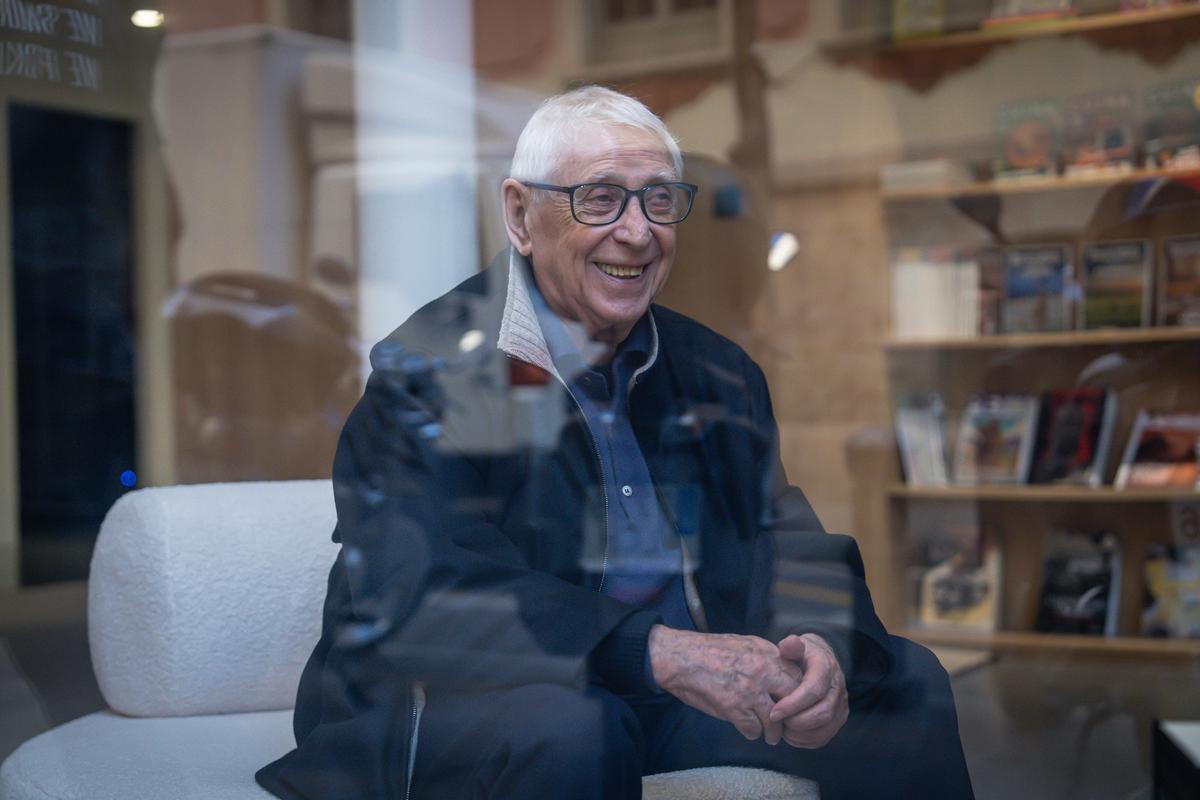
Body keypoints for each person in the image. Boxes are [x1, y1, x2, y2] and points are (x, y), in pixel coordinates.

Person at [256, 86, 974, 800]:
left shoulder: (716, 373)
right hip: (466, 705)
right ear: (520, 214)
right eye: (600, 199)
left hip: (671, 706)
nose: (637, 232)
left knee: (908, 686)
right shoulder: (435, 373)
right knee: (574, 724)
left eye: (658, 200)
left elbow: (783, 537)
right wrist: (658, 651)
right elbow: (428, 593)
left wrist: (819, 644)